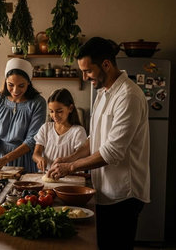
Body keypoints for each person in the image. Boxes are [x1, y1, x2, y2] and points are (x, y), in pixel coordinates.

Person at [47, 37, 150, 250]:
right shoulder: (102, 93)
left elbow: (113, 152)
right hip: (104, 191)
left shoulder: (128, 96)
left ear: (106, 64)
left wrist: (71, 167)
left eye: (88, 71)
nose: (85, 77)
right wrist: (70, 157)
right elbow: (95, 139)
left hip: (123, 194)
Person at [0, 58, 46, 172]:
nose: (15, 90)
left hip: (24, 161)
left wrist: (5, 159)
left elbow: (32, 140)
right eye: (11, 84)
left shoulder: (37, 103)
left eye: (21, 85)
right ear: (5, 81)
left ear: (29, 82)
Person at [32, 88, 87, 171]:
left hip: (70, 176)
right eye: (51, 111)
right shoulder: (46, 128)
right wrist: (39, 159)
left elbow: (81, 159)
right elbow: (36, 153)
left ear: (70, 108)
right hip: (47, 174)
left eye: (59, 111)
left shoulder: (78, 131)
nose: (55, 115)